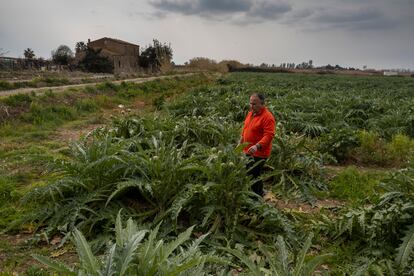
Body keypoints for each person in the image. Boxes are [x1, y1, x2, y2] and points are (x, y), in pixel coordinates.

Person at [239, 93, 276, 196]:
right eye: (250, 103)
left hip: (260, 152)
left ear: (262, 104)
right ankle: (259, 193)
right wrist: (240, 142)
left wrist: (257, 146)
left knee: (253, 173)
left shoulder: (268, 117)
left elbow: (269, 135)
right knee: (252, 173)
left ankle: (256, 197)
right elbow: (245, 128)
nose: (251, 106)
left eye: (254, 104)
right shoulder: (250, 113)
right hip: (247, 150)